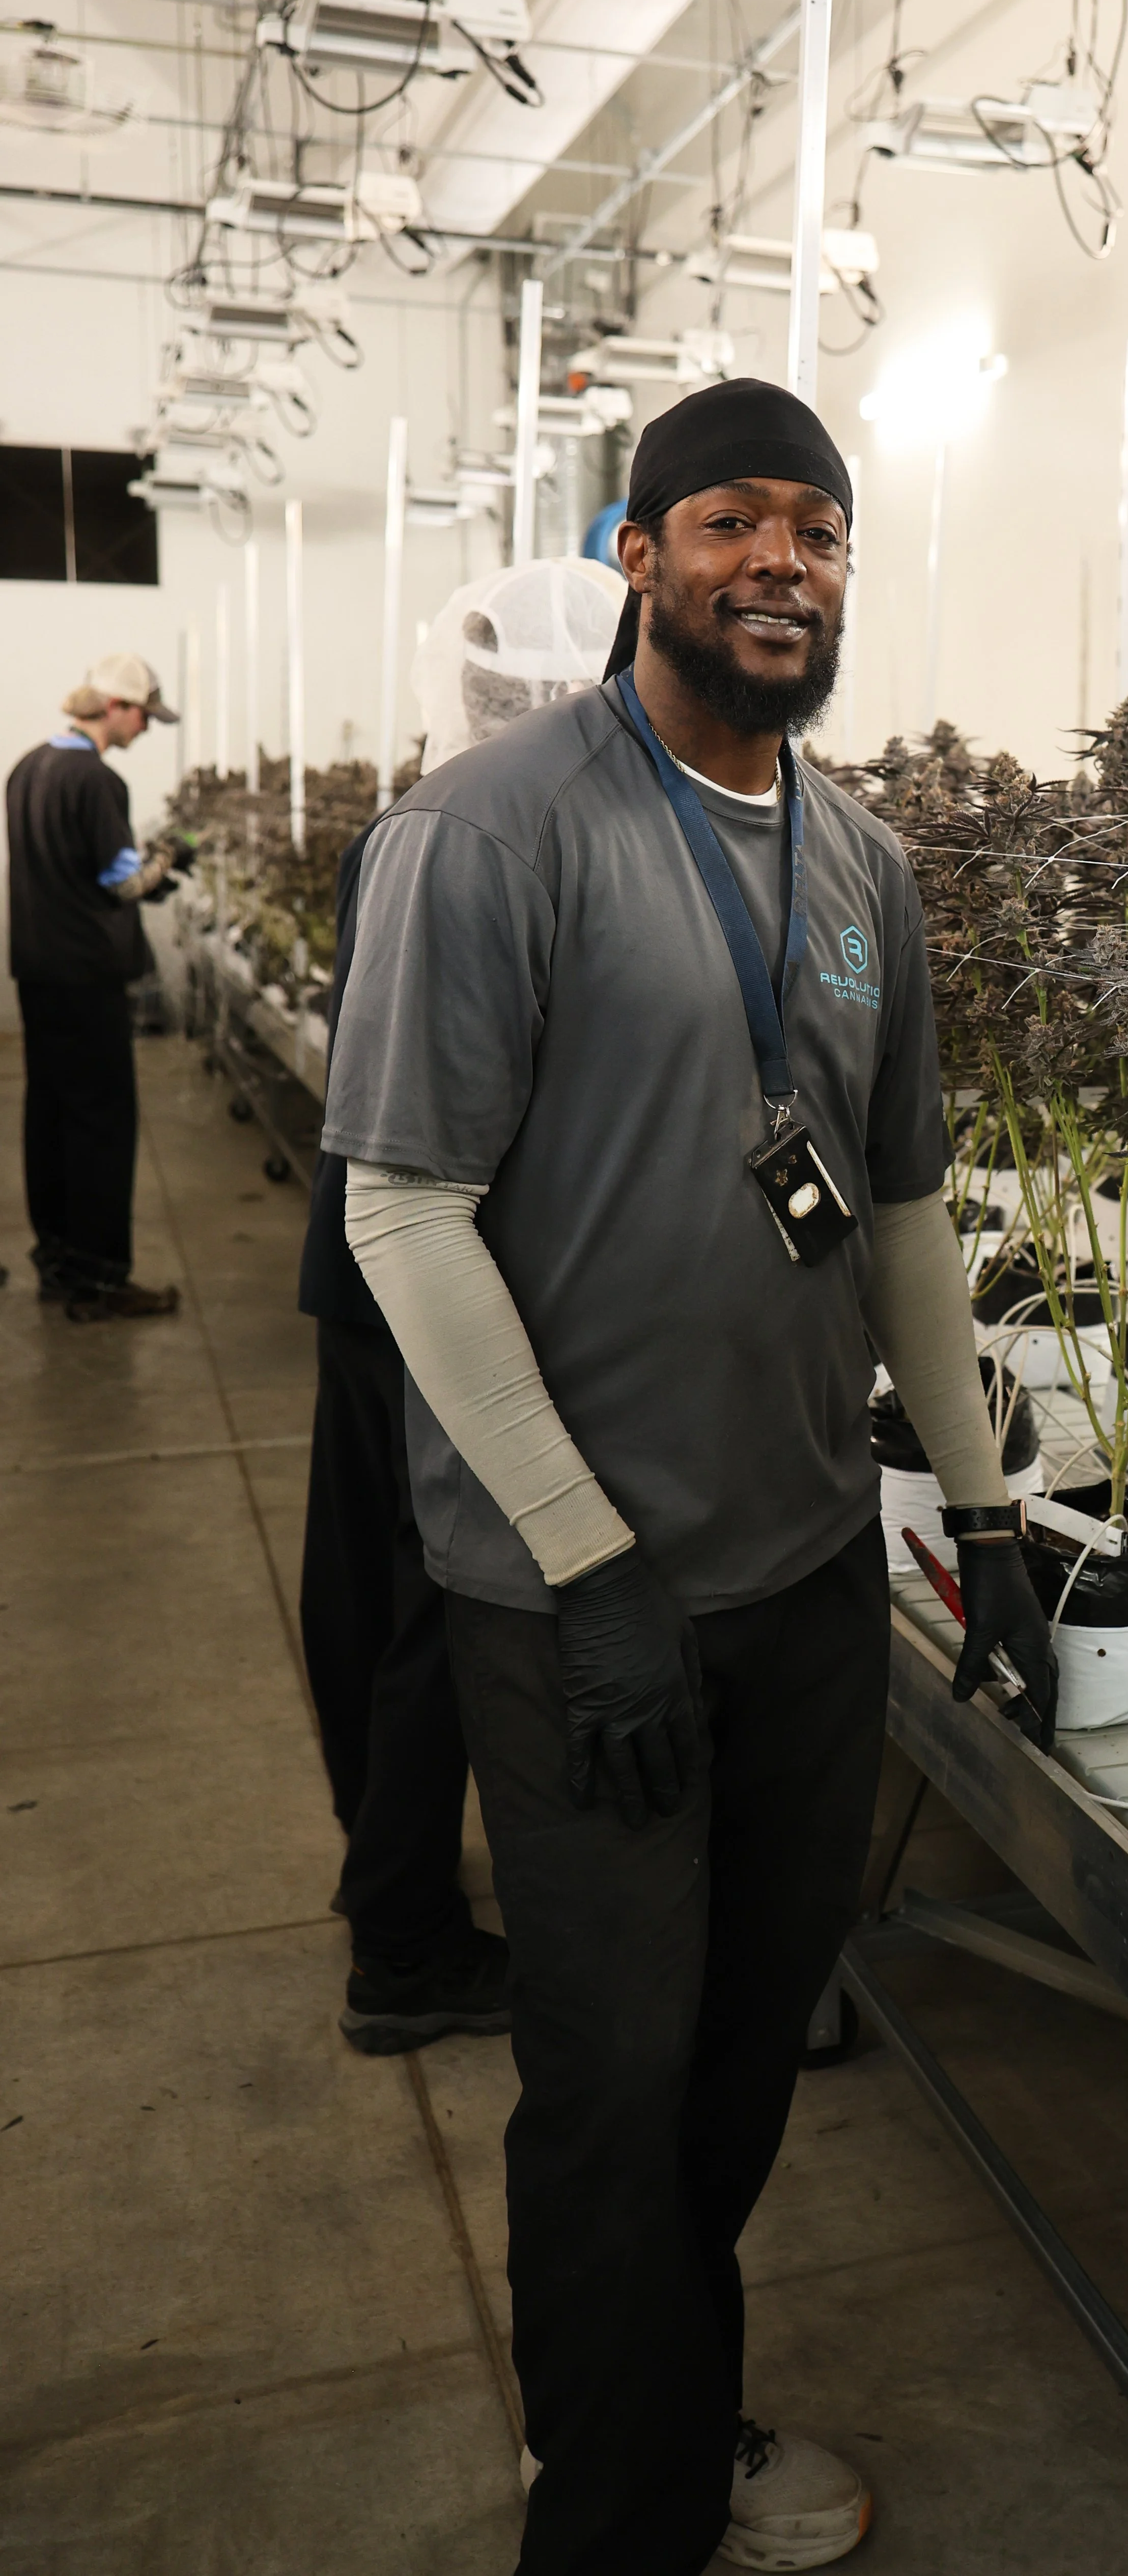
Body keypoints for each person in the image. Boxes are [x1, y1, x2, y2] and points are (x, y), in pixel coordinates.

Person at [322, 379, 1058, 2576]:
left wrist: (991, 1515)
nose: (782, 562)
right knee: (614, 2084)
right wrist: (585, 1563)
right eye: (731, 519)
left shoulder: (862, 866)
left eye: (817, 530)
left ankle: (671, 2407)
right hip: (580, 1614)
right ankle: (610, 2508)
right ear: (636, 554)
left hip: (810, 1577)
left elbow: (904, 1209)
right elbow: (404, 1218)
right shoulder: (490, 832)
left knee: (740, 2064)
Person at [299, 558, 624, 2057]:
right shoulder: (471, 836)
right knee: (437, 1611)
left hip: (366, 1280)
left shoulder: (406, 827)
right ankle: (406, 1945)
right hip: (425, 1281)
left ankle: (389, 1871)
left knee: (373, 1597)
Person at [7, 652, 188, 1320]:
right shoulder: (95, 780)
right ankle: (100, 1279)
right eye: (145, 715)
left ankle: (57, 1258)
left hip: (39, 971)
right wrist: (170, 858)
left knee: (51, 1116)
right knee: (103, 1125)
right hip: (89, 977)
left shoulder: (27, 768)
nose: (145, 729)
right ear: (114, 708)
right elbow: (121, 881)